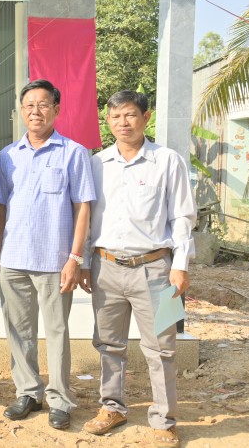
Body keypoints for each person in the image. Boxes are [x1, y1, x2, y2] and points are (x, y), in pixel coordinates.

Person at [83, 90, 195, 448]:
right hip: (107, 267)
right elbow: (88, 219)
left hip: (158, 270)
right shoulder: (97, 164)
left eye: (130, 115)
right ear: (108, 120)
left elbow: (183, 217)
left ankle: (164, 419)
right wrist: (86, 262)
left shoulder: (167, 160)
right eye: (115, 117)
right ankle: (111, 407)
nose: (122, 123)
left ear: (146, 117)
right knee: (108, 343)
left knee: (163, 347)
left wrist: (180, 266)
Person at [0, 79, 95, 430]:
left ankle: (60, 398)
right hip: (14, 259)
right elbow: (1, 207)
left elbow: (83, 208)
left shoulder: (74, 153)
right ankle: (28, 391)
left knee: (57, 332)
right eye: (29, 105)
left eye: (43, 104)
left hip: (54, 260)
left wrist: (75, 258)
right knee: (18, 331)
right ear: (21, 111)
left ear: (57, 109)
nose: (36, 111)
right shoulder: (8, 156)